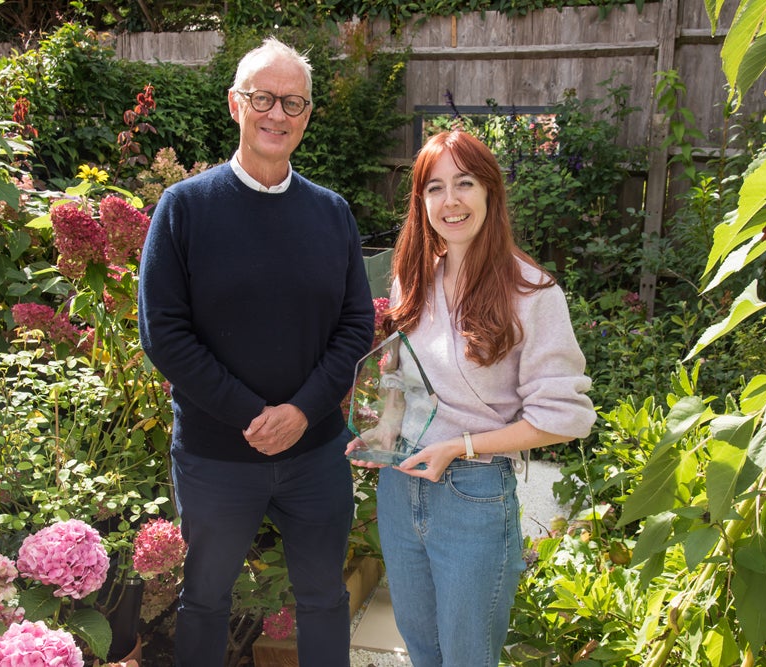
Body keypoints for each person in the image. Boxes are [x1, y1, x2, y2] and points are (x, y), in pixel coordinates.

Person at [137, 38, 375, 667]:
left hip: (317, 453)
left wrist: (301, 411)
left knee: (324, 597)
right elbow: (164, 334)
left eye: (293, 101)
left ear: (307, 114)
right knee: (206, 598)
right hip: (217, 456)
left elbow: (356, 326)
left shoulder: (332, 214)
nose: (278, 113)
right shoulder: (184, 209)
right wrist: (251, 413)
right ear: (235, 104)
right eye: (263, 98)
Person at [347, 129, 596, 667]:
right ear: (421, 202)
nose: (450, 200)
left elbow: (566, 418)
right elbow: (399, 373)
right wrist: (388, 425)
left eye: (464, 183)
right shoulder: (413, 279)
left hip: (473, 496)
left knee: (466, 656)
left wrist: (458, 446)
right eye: (434, 188)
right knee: (420, 647)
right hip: (400, 487)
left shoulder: (532, 292)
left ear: (489, 192)